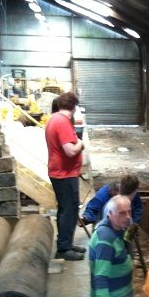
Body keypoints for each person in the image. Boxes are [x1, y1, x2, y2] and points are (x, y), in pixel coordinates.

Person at [45, 91, 86, 261]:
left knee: (65, 210)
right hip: (64, 173)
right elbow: (70, 151)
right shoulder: (62, 122)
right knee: (68, 211)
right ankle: (63, 248)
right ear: (74, 107)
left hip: (61, 172)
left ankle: (66, 243)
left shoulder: (54, 119)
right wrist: (81, 144)